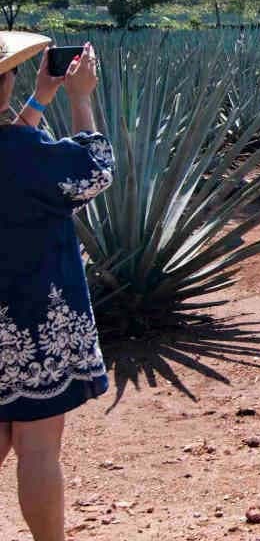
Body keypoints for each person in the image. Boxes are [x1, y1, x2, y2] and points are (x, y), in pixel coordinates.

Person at [0, 34, 111, 541]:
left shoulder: (20, 147)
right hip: (34, 318)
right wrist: (79, 98)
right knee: (38, 448)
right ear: (6, 82)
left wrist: (39, 100)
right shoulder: (29, 153)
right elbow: (94, 171)